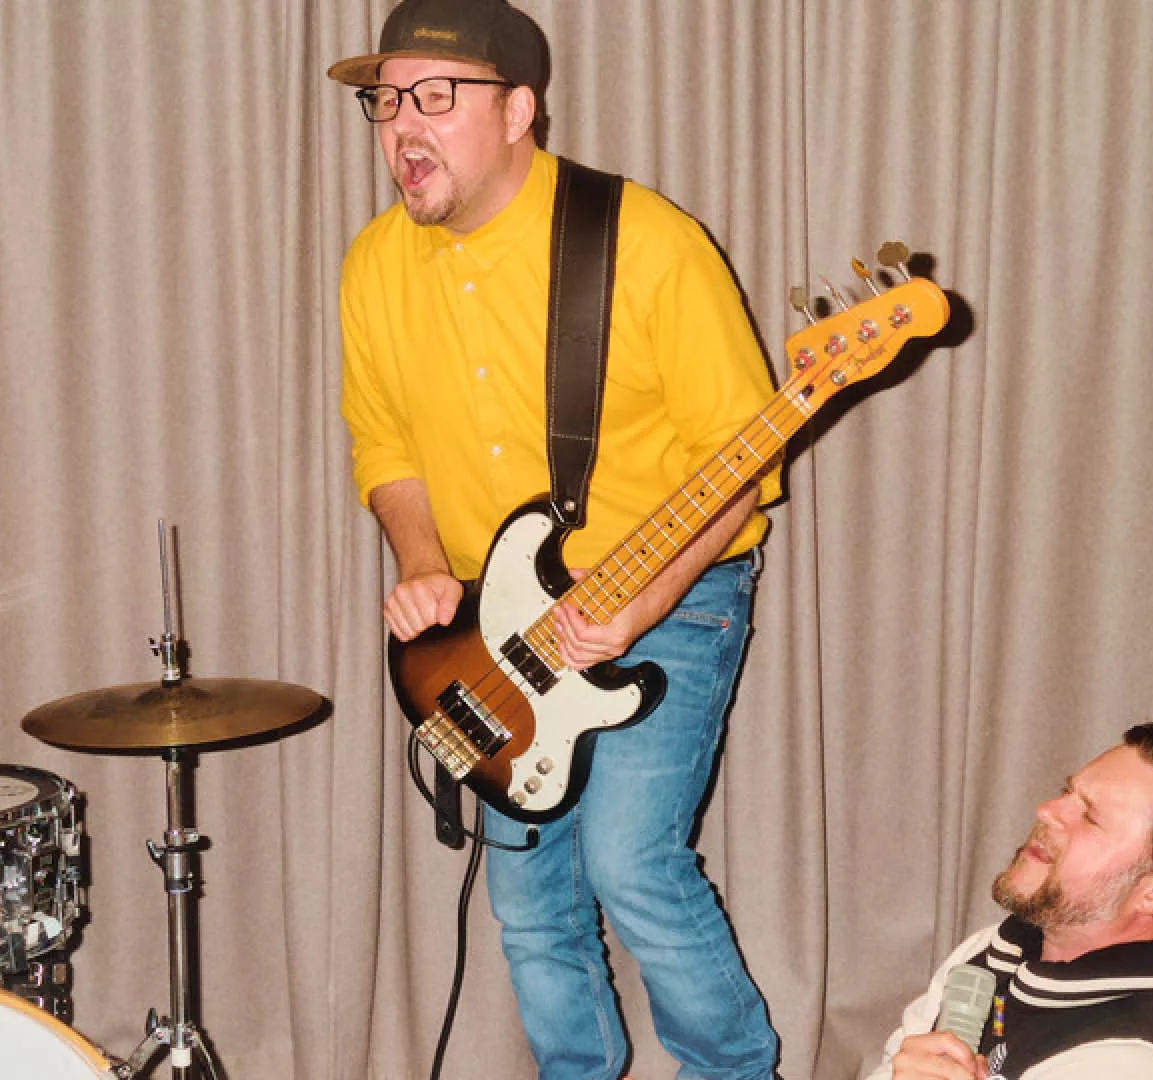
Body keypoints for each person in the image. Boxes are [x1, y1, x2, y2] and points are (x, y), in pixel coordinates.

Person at [330, 1, 783, 1076]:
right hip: (500, 618)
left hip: (673, 587)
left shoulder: (647, 243)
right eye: (387, 101)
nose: (403, 127)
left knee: (630, 864)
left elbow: (742, 460)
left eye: (436, 97)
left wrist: (639, 605)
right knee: (531, 897)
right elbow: (384, 443)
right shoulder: (376, 262)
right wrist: (423, 564)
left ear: (518, 110)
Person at [868, 724, 1153, 1080]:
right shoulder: (989, 953)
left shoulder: (1138, 1061)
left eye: (1090, 817)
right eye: (1066, 792)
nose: (1047, 811)